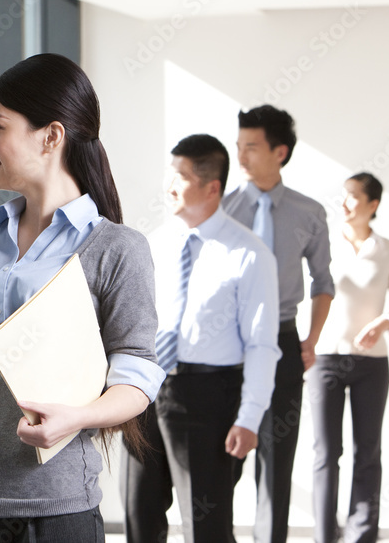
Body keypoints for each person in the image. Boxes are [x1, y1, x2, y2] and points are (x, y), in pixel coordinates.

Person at [0, 53, 165, 543]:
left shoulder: (116, 250)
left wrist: (78, 418)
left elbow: (138, 375)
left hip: (51, 506)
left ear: (51, 136)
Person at [122, 134, 280, 543]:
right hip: (145, 389)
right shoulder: (155, 242)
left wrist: (249, 417)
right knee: (138, 513)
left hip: (207, 396)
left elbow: (262, 344)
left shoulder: (249, 253)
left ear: (212, 187)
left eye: (180, 177)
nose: (169, 185)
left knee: (204, 523)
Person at [222, 104, 335, 543]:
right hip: (229, 345)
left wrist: (312, 340)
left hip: (284, 341)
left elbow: (323, 282)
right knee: (224, 458)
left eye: (251, 147)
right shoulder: (224, 209)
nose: (242, 156)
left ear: (280, 152)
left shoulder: (310, 213)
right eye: (239, 147)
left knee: (276, 458)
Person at [308, 173, 389, 543]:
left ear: (373, 205)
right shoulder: (324, 244)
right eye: (344, 196)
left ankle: (362, 534)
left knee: (367, 451)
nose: (345, 203)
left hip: (371, 363)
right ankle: (324, 536)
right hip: (325, 361)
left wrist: (384, 323)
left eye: (353, 197)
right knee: (325, 452)